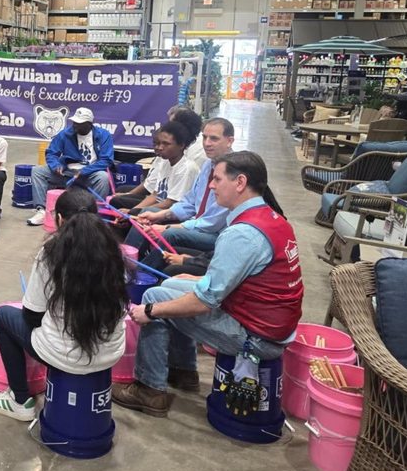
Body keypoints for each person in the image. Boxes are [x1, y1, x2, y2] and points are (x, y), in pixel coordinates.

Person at [112, 151, 304, 418]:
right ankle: (183, 371)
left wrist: (150, 312)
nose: (211, 185)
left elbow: (203, 302)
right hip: (263, 318)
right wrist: (197, 279)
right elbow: (246, 278)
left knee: (155, 301)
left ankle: (149, 390)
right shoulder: (270, 218)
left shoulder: (242, 233)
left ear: (240, 182)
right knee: (167, 287)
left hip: (257, 336)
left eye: (217, 179)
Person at [0, 188, 129, 420]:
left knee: (3, 316)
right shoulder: (115, 251)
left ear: (59, 219)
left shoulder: (50, 253)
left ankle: (19, 400)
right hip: (111, 353)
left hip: (64, 356)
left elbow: (31, 315)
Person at [130, 118, 236, 264]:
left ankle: (142, 270)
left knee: (169, 234)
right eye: (204, 137)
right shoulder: (207, 166)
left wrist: (167, 226)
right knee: (148, 215)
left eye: (214, 139)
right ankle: (127, 260)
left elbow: (211, 223)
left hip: (216, 234)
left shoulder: (233, 172)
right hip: (197, 223)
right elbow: (189, 202)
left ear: (229, 141)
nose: (207, 143)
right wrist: (161, 215)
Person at [27, 107, 114, 226]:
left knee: (103, 177)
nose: (75, 126)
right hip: (68, 172)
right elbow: (52, 152)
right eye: (74, 122)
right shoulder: (65, 134)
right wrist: (56, 165)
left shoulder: (104, 135)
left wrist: (84, 171)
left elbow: (106, 160)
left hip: (90, 173)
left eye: (79, 123)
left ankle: (93, 215)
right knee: (37, 171)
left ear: (89, 124)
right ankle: (41, 211)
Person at [109, 121, 198, 214]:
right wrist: (133, 210)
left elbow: (170, 203)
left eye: (166, 144)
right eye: (158, 143)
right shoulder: (165, 162)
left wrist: (135, 211)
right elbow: (156, 195)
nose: (160, 147)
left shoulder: (186, 168)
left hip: (174, 213)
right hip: (161, 208)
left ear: (181, 145)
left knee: (126, 208)